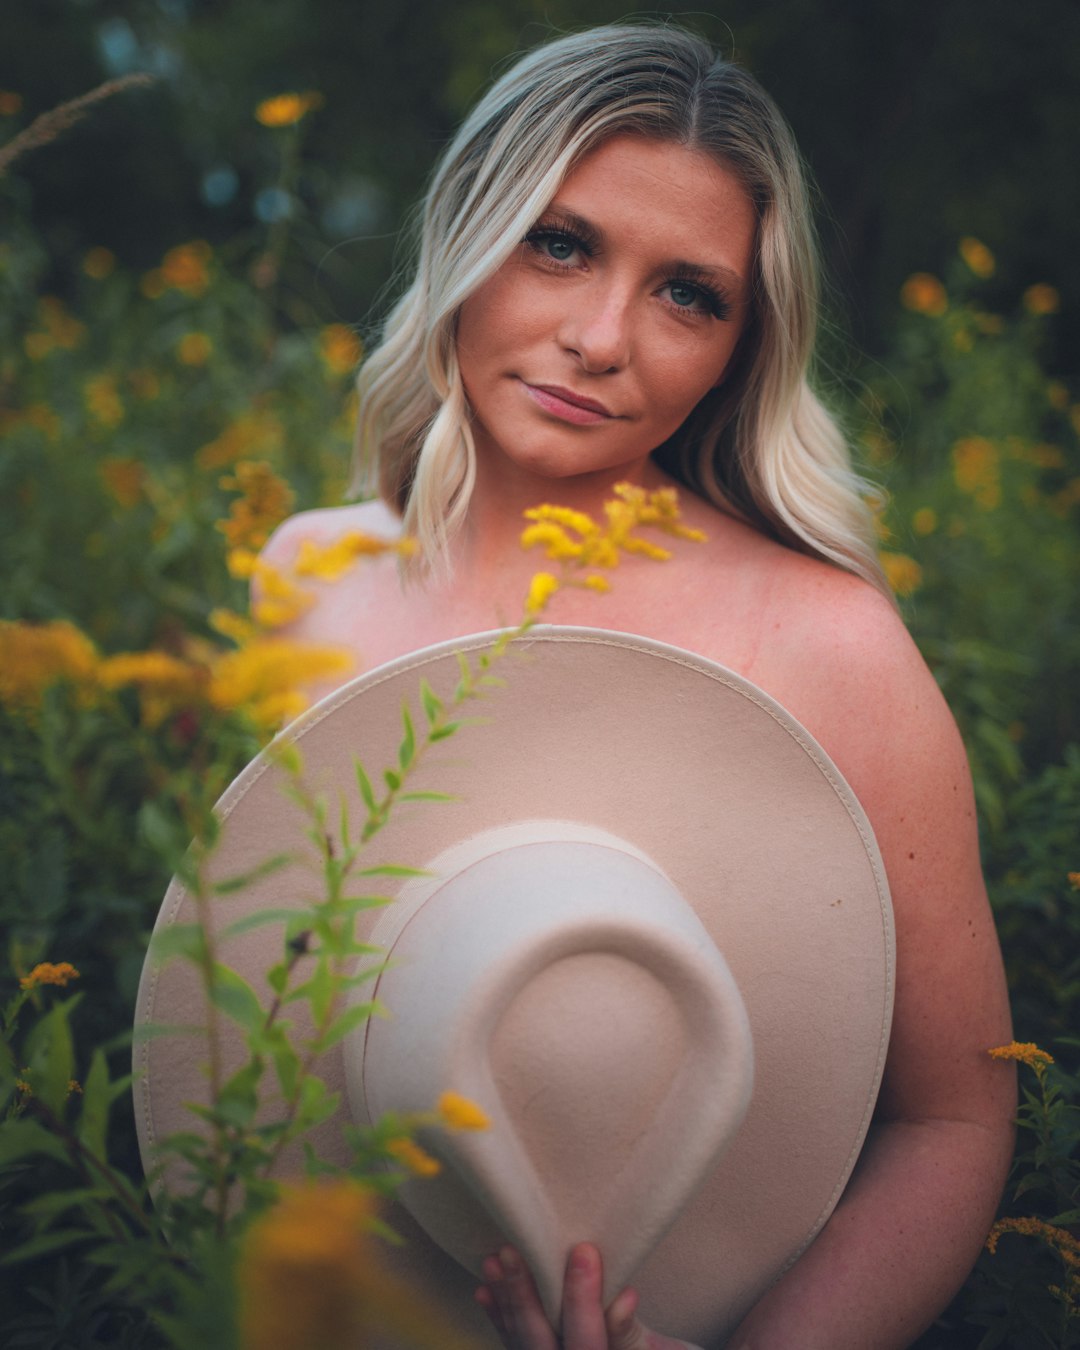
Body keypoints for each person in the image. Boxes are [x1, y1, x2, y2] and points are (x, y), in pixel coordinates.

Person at [261, 22, 1015, 1349]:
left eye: (689, 293)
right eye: (560, 241)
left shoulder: (831, 646)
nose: (601, 338)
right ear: (467, 233)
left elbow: (954, 1117)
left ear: (741, 345)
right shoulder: (308, 576)